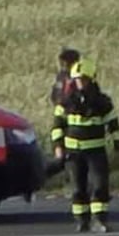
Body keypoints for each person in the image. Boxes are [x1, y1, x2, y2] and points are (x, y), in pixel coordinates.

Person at [50, 57, 119, 233]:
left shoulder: (102, 102)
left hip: (96, 151)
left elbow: (112, 123)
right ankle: (82, 221)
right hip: (73, 153)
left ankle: (100, 220)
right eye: (77, 79)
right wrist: (58, 147)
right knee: (77, 188)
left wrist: (117, 143)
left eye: (83, 79)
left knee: (99, 186)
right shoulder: (66, 102)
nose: (80, 83)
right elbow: (58, 125)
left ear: (91, 79)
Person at [45, 48, 79, 177]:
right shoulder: (63, 76)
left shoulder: (75, 76)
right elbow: (56, 93)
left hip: (70, 115)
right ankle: (57, 163)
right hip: (63, 113)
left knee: (69, 150)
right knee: (58, 138)